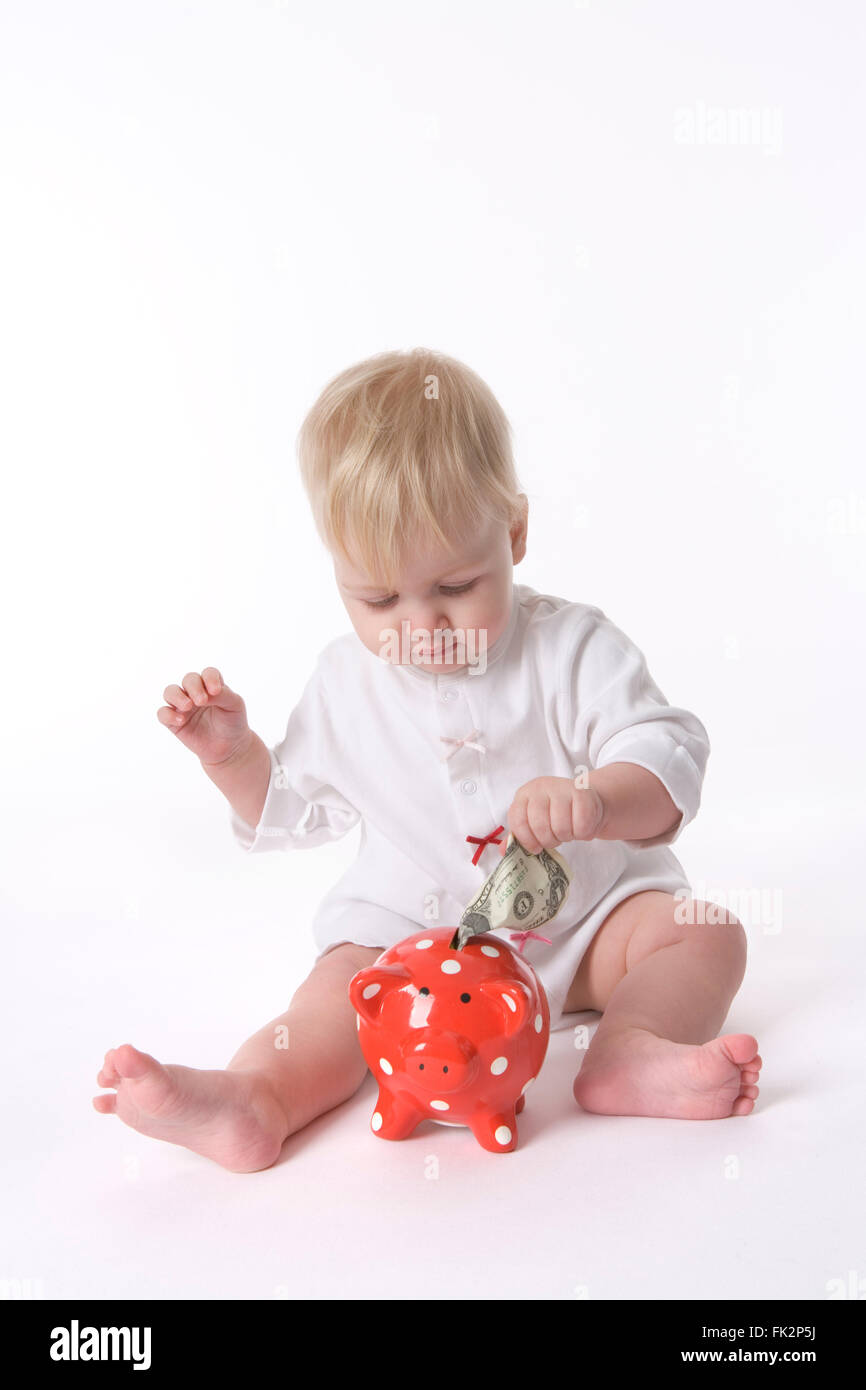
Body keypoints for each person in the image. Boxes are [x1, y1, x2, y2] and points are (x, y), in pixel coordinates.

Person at [93, 348, 761, 1171]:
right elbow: (295, 811)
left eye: (454, 587)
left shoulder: (573, 646)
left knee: (705, 932)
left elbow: (668, 753)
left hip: (587, 935)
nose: (420, 625)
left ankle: (629, 1050)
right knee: (337, 995)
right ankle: (257, 1098)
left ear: (514, 533)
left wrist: (598, 798)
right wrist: (233, 757)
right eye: (378, 599)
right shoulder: (345, 682)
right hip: (409, 950)